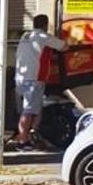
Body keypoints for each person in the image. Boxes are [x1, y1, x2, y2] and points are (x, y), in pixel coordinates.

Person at [13, 14, 62, 148]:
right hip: (34, 78)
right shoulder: (43, 37)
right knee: (28, 111)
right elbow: (64, 47)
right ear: (46, 25)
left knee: (36, 108)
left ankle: (32, 134)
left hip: (20, 77)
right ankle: (22, 141)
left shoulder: (25, 36)